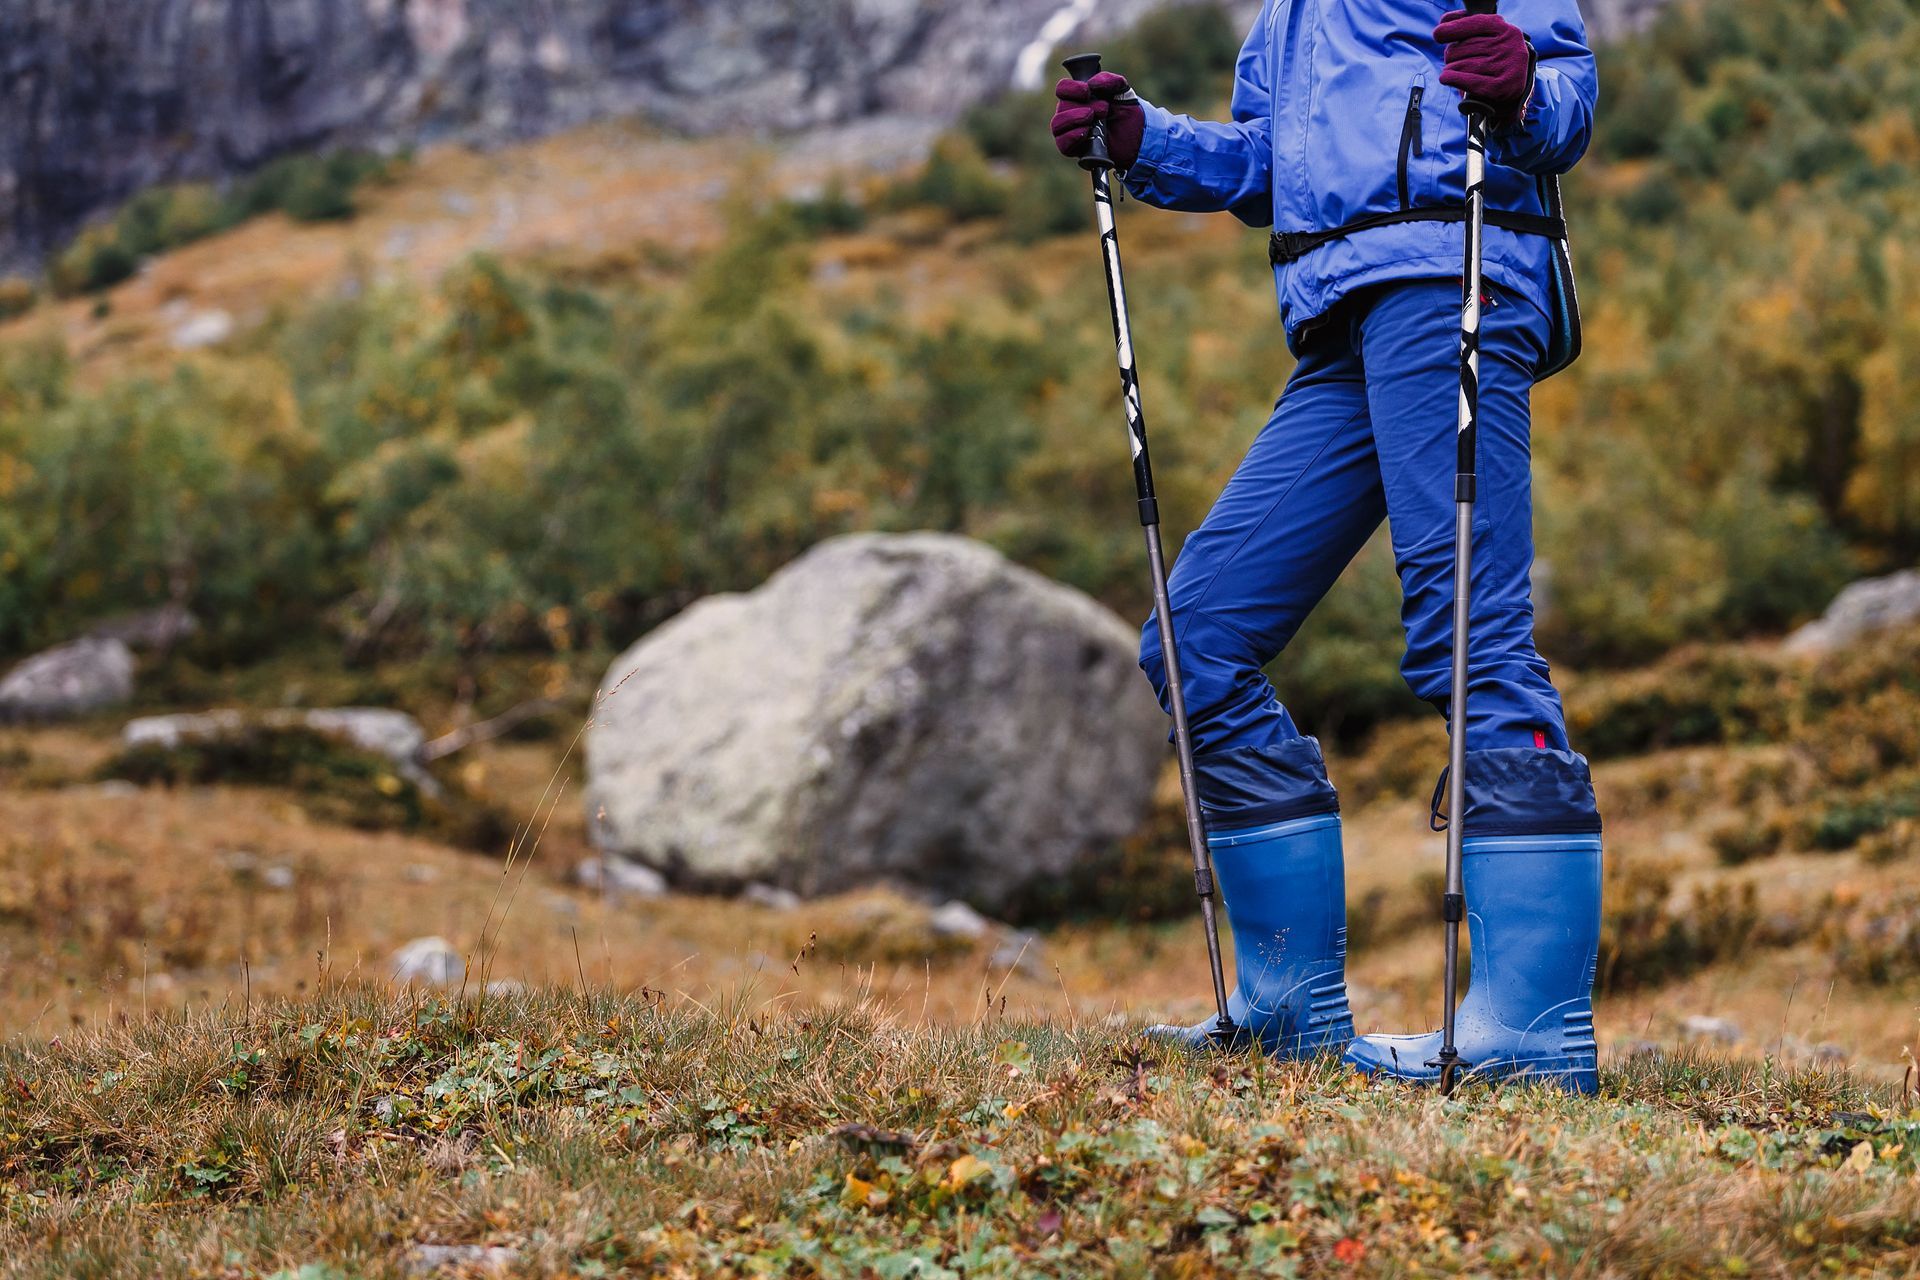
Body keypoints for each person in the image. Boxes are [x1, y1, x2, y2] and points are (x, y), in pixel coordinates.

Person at [1051, 3, 1603, 1092]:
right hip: (1341, 317)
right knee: (1195, 633)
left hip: (1456, 278)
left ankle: (1533, 1034)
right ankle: (1287, 1011)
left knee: (1467, 638)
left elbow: (1566, 101)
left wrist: (1523, 89)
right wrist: (1143, 140)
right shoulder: (1288, 16)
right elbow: (1272, 168)